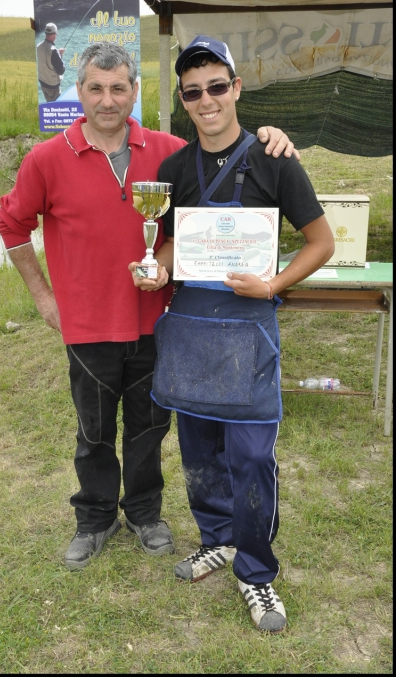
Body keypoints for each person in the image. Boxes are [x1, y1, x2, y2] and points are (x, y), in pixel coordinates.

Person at [0, 41, 299, 573]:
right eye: (95, 88)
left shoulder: (166, 150)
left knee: (149, 428)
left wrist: (272, 136)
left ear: (134, 92)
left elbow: (222, 151)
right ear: (80, 92)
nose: (107, 100)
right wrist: (44, 298)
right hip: (87, 326)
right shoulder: (46, 158)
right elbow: (11, 226)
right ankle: (94, 518)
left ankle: (143, 513)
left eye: (118, 88)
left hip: (157, 321)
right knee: (93, 433)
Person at [129, 36, 334, 632]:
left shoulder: (276, 159)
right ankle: (216, 540)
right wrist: (157, 268)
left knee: (249, 459)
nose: (206, 99)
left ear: (236, 88)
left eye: (217, 86)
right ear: (184, 101)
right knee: (199, 455)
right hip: (190, 333)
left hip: (249, 332)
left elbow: (321, 243)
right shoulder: (171, 169)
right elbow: (165, 241)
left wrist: (273, 285)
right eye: (193, 92)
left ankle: (257, 572)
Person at [37, 22, 66, 102]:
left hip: (42, 83)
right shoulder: (53, 51)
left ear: (46, 33)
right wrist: (60, 56)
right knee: (56, 107)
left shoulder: (39, 46)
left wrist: (57, 53)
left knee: (49, 105)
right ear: (54, 33)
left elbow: (47, 58)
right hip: (52, 86)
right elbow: (61, 70)